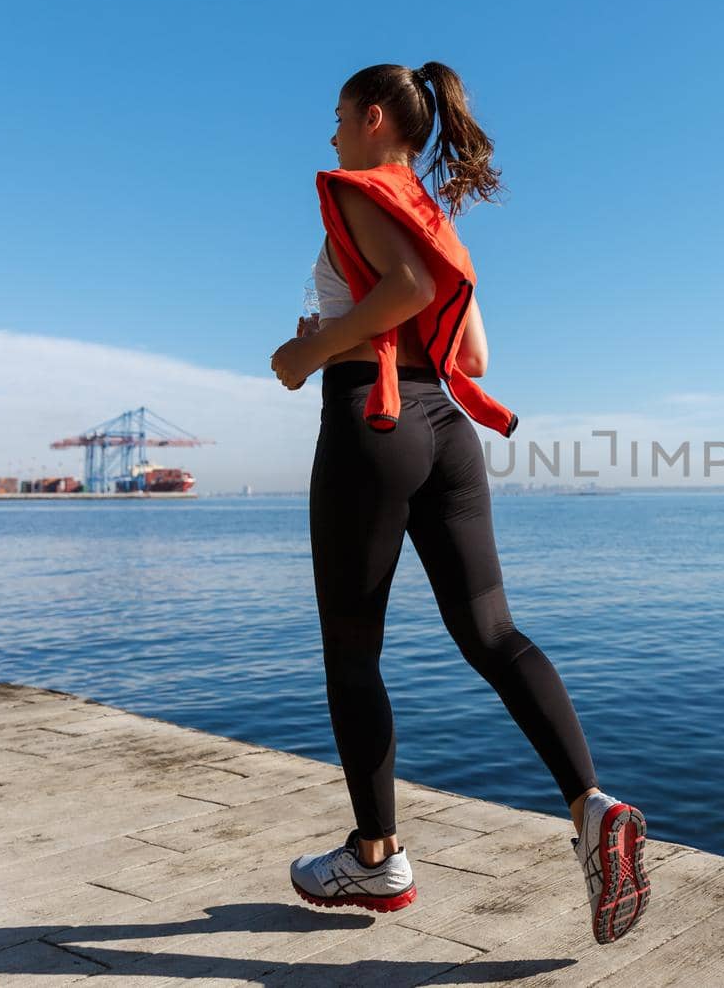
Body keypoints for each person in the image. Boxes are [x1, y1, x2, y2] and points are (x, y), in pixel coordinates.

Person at [269, 61, 649, 945]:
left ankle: (375, 857)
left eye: (334, 118)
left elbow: (407, 291)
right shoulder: (438, 216)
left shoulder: (362, 188)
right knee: (493, 632)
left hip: (375, 421)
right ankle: (593, 805)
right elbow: (469, 351)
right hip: (447, 430)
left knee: (352, 650)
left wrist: (315, 350)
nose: (328, 136)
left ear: (372, 119)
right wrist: (352, 328)